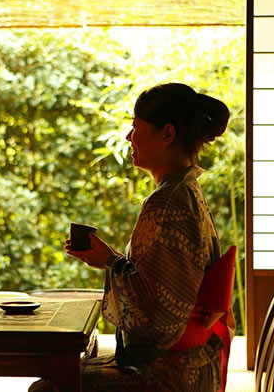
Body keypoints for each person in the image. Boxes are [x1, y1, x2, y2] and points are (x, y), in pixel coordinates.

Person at [29, 82, 232, 392]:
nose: (128, 137)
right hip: (195, 363)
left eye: (135, 127)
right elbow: (159, 288)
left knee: (49, 389)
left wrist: (112, 262)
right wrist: (109, 260)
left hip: (175, 375)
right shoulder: (184, 191)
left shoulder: (168, 201)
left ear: (167, 134)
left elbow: (159, 319)